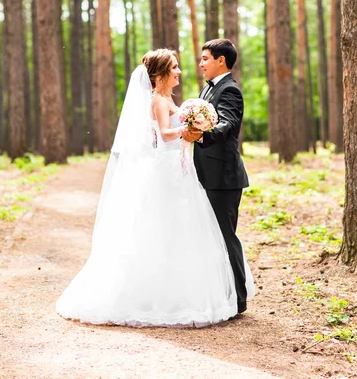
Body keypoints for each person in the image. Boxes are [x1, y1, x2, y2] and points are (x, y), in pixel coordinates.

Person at [56, 49, 253, 327]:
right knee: (163, 231)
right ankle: (158, 296)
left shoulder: (169, 98)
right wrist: (187, 130)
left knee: (182, 232)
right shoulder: (159, 101)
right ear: (161, 73)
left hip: (180, 170)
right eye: (174, 67)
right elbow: (164, 134)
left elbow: (204, 122)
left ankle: (192, 292)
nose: (180, 71)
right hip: (167, 170)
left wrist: (194, 125)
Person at [184, 39, 250, 315]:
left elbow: (228, 123)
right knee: (210, 237)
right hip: (205, 174)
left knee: (225, 236)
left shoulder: (230, 90)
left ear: (221, 60)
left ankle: (238, 300)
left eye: (205, 59)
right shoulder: (208, 88)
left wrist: (202, 135)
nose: (201, 64)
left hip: (223, 177)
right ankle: (220, 295)